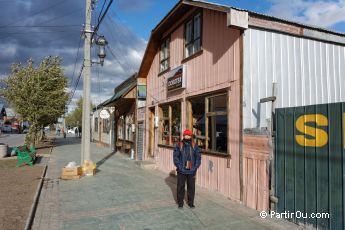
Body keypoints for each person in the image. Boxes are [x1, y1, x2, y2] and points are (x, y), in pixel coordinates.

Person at [173, 129, 201, 209]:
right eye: (186, 135)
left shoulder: (194, 145)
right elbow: (175, 157)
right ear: (183, 136)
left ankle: (191, 202)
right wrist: (179, 166)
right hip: (181, 170)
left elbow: (198, 157)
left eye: (188, 135)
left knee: (191, 187)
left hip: (191, 171)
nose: (187, 136)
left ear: (190, 136)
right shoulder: (179, 145)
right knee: (180, 187)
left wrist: (195, 167)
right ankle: (180, 202)